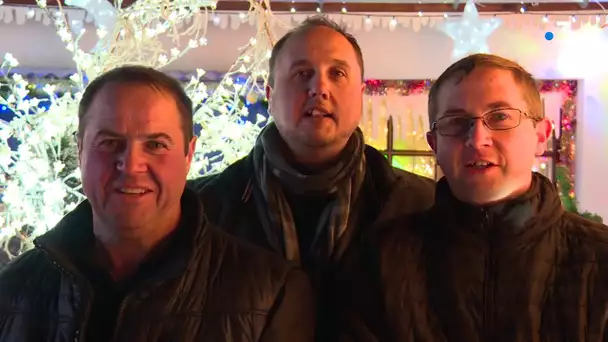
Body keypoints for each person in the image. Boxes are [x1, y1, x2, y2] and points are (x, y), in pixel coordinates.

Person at [0, 66, 315, 342]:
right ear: (80, 149)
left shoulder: (271, 297)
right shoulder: (14, 289)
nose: (132, 164)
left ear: (188, 154)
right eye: (110, 143)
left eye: (155, 144)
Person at [188, 15, 435, 338]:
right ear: (271, 95)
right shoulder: (202, 210)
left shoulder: (421, 206)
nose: (319, 88)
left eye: (338, 74)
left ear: (360, 95)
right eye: (302, 73)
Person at [336, 53, 608, 341]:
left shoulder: (600, 257)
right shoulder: (382, 260)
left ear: (541, 136)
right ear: (434, 145)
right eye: (456, 121)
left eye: (500, 116)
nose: (477, 140)